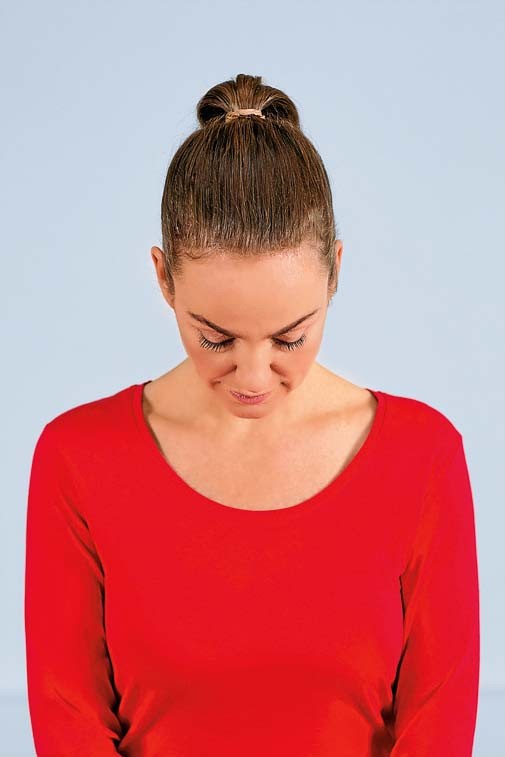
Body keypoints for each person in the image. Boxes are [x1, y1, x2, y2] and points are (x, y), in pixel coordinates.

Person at [24, 73, 480, 756]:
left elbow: (438, 720)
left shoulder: (422, 457)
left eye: (290, 338)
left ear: (335, 272)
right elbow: (68, 717)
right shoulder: (79, 457)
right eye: (216, 339)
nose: (254, 376)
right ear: (163, 277)